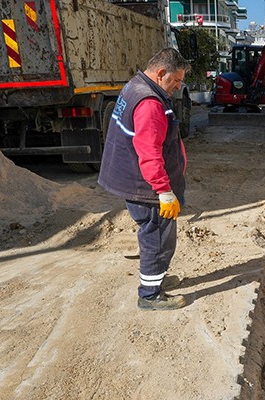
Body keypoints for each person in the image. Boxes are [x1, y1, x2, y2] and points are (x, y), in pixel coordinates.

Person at [98, 48, 191, 311]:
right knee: (158, 239)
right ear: (161, 73)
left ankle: (155, 279)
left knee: (155, 237)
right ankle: (150, 295)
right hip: (146, 186)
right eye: (175, 80)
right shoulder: (149, 103)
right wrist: (164, 190)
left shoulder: (136, 86)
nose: (177, 86)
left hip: (137, 180)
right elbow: (149, 153)